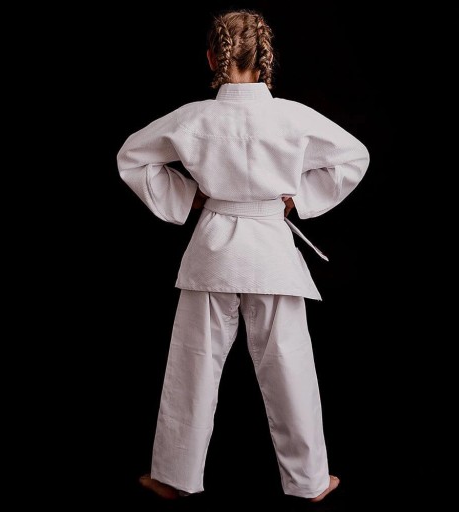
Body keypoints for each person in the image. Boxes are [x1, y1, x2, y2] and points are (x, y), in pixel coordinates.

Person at [117, 8, 369, 503]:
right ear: (265, 60)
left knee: (193, 364)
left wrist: (188, 196)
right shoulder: (293, 117)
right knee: (289, 365)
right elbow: (353, 156)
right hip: (271, 251)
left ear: (213, 58)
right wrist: (300, 198)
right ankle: (309, 482)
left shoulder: (194, 118)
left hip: (213, 251)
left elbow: (132, 156)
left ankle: (173, 477)